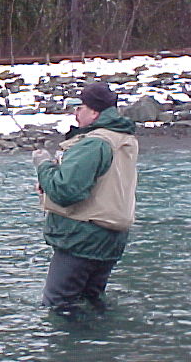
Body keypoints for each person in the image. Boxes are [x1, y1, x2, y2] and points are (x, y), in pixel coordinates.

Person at [31, 81, 138, 316]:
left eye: (81, 107)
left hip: (83, 238)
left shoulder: (93, 143)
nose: (76, 112)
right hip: (112, 238)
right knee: (92, 300)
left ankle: (70, 351)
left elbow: (65, 191)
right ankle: (102, 347)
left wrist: (44, 166)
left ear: (95, 112)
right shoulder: (124, 138)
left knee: (59, 306)